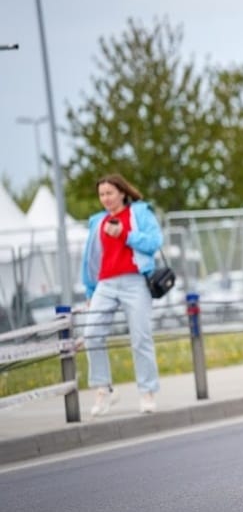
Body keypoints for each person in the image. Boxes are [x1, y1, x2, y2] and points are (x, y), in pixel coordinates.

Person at [80, 173, 164, 416]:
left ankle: (147, 391)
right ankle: (103, 390)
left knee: (141, 337)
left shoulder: (138, 213)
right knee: (91, 334)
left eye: (109, 193)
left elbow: (155, 242)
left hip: (135, 281)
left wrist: (126, 236)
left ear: (122, 193)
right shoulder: (97, 222)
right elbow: (90, 260)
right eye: (102, 194)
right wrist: (90, 290)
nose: (105, 198)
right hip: (105, 284)